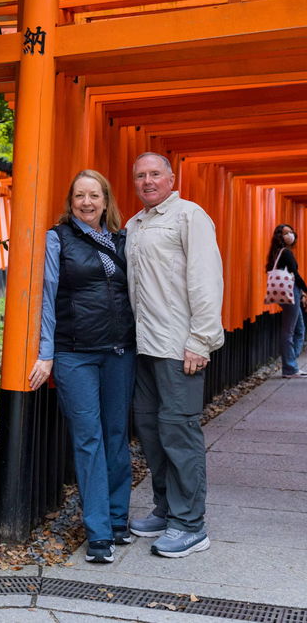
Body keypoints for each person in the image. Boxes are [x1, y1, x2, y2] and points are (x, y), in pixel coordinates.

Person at [29, 169, 136, 564]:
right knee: (88, 439)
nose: (87, 203)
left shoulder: (123, 241)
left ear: (106, 201)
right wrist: (47, 353)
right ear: (70, 202)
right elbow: (47, 296)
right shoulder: (57, 239)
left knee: (116, 436)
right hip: (75, 354)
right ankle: (98, 533)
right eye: (80, 196)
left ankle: (118, 520)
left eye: (94, 195)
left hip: (120, 352)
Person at [125, 152, 224, 558]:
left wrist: (201, 339)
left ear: (171, 177)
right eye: (140, 176)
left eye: (154, 174)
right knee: (151, 431)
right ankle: (167, 509)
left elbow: (205, 278)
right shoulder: (133, 224)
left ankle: (191, 525)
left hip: (179, 346)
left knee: (179, 433)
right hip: (144, 346)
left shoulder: (190, 216)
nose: (148, 181)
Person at [266, 224, 307, 378]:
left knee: (298, 329)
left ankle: (291, 363)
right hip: (291, 293)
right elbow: (295, 275)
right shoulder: (286, 253)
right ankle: (290, 367)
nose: (290, 235)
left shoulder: (276, 253)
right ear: (280, 236)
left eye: (291, 232)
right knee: (289, 331)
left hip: (287, 293)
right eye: (286, 233)